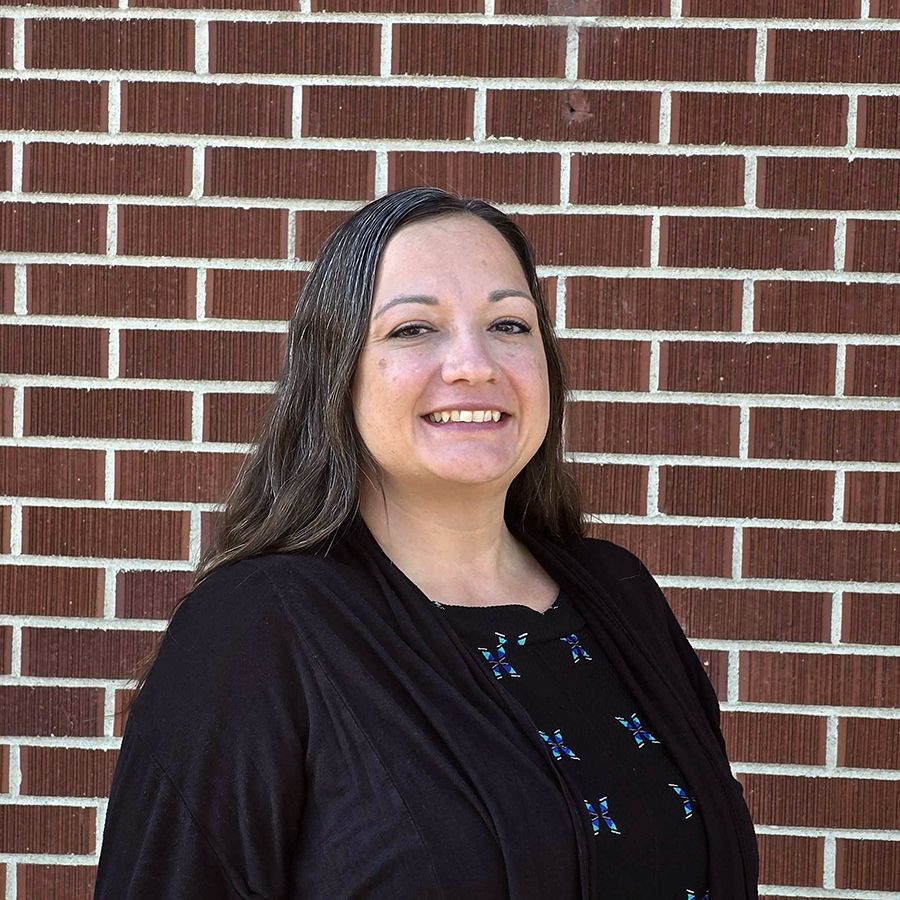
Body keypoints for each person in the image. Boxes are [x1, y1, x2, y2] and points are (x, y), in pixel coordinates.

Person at [94, 187, 758, 899]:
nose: (475, 364)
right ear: (336, 373)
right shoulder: (257, 630)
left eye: (509, 324)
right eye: (414, 329)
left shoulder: (619, 597)